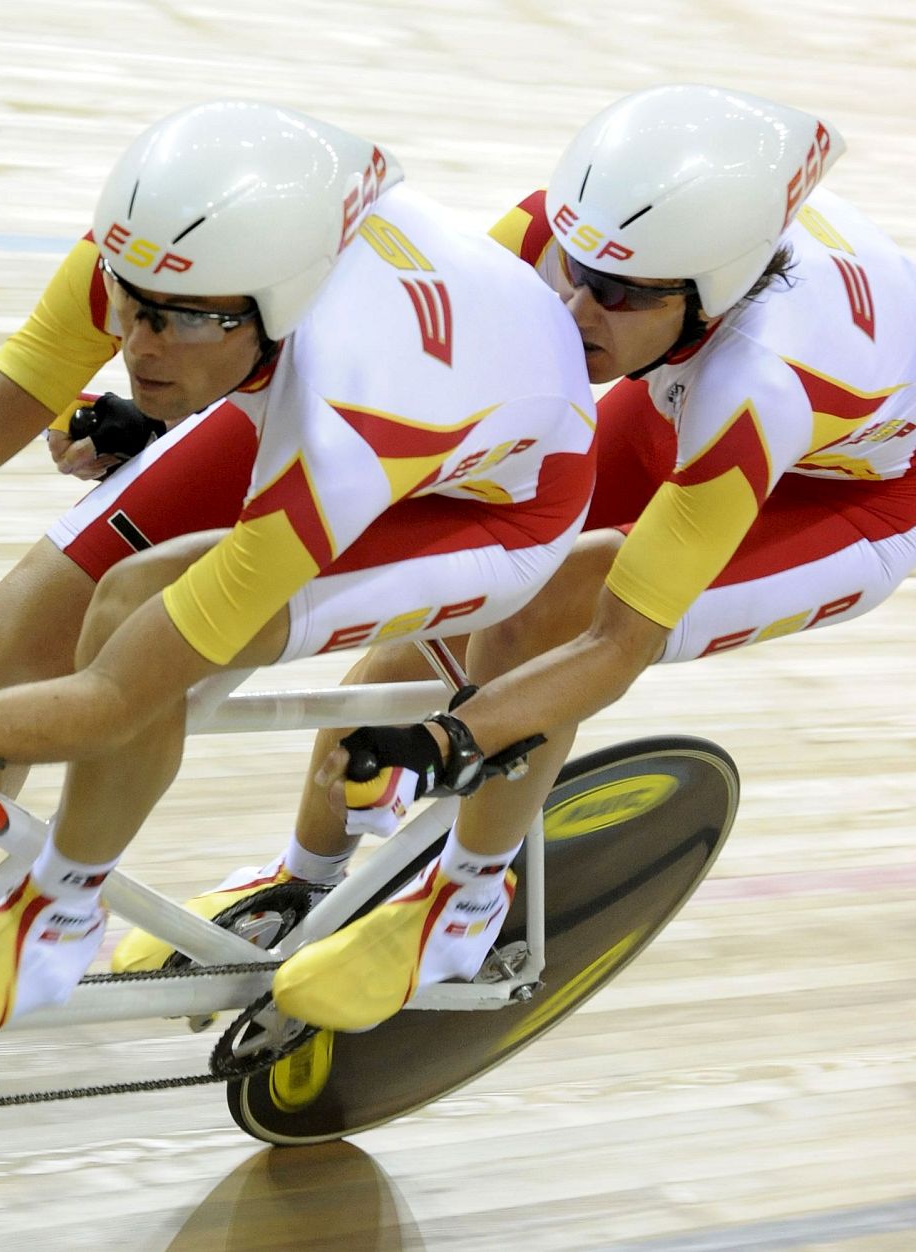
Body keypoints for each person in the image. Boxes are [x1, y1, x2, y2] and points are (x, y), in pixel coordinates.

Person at [0, 99, 600, 1057]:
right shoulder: (168, 263)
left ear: (269, 306)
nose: (136, 343)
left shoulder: (353, 409)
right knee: (13, 631)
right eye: (131, 306)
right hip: (308, 392)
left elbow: (117, 698)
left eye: (174, 323)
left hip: (491, 504)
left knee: (142, 615)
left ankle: (60, 909)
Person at [248, 83, 916, 1034]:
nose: (571, 306)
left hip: (855, 495)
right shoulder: (582, 238)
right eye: (572, 266)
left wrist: (455, 741)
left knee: (556, 607)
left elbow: (614, 646)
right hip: (693, 390)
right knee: (452, 604)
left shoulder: (760, 377)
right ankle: (296, 884)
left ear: (707, 294)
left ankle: (468, 903)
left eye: (618, 294)